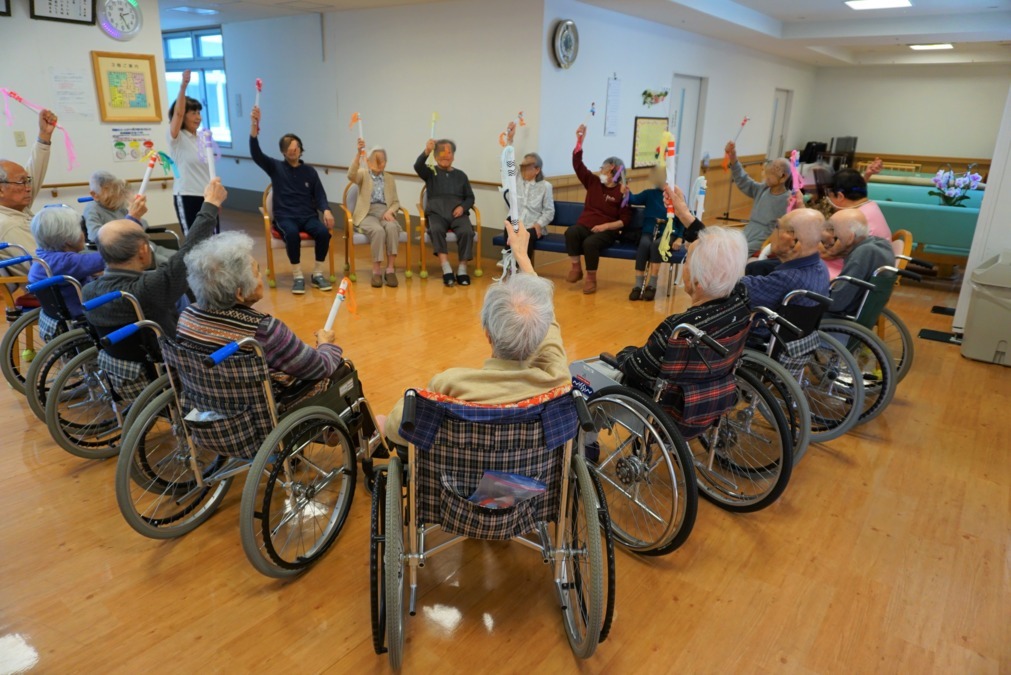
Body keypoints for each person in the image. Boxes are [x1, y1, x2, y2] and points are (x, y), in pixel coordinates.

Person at [382, 223, 567, 446]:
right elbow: (550, 325)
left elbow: (398, 428)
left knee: (383, 421)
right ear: (541, 334)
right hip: (530, 479)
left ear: (488, 333)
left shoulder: (452, 384)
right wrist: (523, 259)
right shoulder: (556, 379)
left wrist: (386, 423)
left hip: (455, 479)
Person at [614, 227, 751, 437]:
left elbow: (635, 368)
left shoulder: (681, 328)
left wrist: (624, 353)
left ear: (698, 280)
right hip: (713, 402)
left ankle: (588, 446)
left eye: (686, 261)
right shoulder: (741, 304)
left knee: (589, 377)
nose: (683, 266)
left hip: (671, 415)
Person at [176, 231, 343, 401]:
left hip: (207, 401)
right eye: (256, 273)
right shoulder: (263, 329)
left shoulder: (187, 315)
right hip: (260, 412)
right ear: (240, 294)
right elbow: (319, 367)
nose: (261, 277)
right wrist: (325, 344)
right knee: (343, 370)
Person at [83, 179, 226, 335]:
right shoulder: (149, 288)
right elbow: (189, 251)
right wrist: (211, 204)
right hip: (165, 351)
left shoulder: (88, 291)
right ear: (144, 251)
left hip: (116, 355)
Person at [250, 105, 335, 295]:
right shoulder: (275, 167)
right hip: (285, 216)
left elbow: (320, 195)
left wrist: (327, 210)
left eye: (295, 147)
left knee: (323, 232)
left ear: (300, 149)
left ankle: (317, 274)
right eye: (288, 148)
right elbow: (256, 154)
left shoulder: (309, 171)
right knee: (291, 233)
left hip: (307, 215)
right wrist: (254, 129)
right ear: (283, 151)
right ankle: (297, 276)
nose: (292, 150)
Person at [566, 124, 633, 295]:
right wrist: (579, 141)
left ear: (612, 170)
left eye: (603, 168)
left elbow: (625, 220)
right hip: (586, 225)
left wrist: (605, 227)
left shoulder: (622, 191)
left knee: (590, 243)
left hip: (607, 231)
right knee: (571, 232)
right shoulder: (593, 182)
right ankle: (576, 268)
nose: (600, 171)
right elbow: (577, 164)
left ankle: (591, 278)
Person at [27, 206, 105, 336]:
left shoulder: (43, 257)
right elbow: (112, 255)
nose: (83, 234)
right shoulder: (67, 262)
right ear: (69, 238)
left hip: (57, 317)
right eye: (81, 229)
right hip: (84, 317)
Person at [0, 109, 58, 276]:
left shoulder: (15, 207)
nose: (28, 187)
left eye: (28, 181)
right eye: (21, 182)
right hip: (50, 288)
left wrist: (44, 136)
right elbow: (46, 267)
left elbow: (34, 170)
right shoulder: (8, 224)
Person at [414, 138, 476, 286]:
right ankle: (446, 268)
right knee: (435, 229)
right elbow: (417, 166)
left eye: (449, 152)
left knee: (467, 231)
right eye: (441, 153)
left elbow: (470, 197)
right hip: (437, 214)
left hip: (457, 214)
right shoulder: (430, 172)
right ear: (435, 157)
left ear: (453, 156)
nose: (445, 156)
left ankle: (462, 269)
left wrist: (462, 208)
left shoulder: (461, 175)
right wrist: (426, 151)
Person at [740, 208, 830, 311]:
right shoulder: (821, 265)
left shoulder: (786, 278)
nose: (772, 232)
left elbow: (737, 289)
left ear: (793, 242)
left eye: (777, 227)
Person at [83, 171, 173, 266]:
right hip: (128, 252)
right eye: (108, 191)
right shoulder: (92, 209)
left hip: (147, 246)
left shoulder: (119, 206)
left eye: (114, 189)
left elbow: (144, 226)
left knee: (178, 257)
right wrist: (126, 225)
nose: (114, 194)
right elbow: (94, 235)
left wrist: (135, 215)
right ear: (94, 195)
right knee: (169, 264)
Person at [167, 69, 217, 235]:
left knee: (214, 240)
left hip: (208, 198)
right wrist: (183, 87)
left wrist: (216, 198)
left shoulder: (203, 138)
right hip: (187, 195)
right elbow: (178, 113)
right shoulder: (177, 137)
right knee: (194, 243)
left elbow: (210, 172)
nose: (198, 117)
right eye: (193, 113)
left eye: (199, 112)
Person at [348, 138, 402, 288]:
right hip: (367, 213)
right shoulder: (363, 174)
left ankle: (390, 269)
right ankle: (376, 271)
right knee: (378, 231)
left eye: (382, 160)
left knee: (391, 228)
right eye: (376, 160)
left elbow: (396, 201)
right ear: (369, 161)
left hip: (385, 212)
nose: (379, 163)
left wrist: (390, 211)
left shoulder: (390, 178)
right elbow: (351, 175)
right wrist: (359, 154)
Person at [820, 168, 892, 279]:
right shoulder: (870, 206)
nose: (829, 200)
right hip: (866, 270)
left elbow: (828, 253)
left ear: (840, 196)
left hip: (846, 274)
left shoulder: (855, 218)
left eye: (830, 196)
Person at [501, 121, 555, 263]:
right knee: (509, 223)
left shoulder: (545, 186)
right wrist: (510, 140)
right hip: (516, 222)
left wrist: (539, 224)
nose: (523, 170)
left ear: (537, 170)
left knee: (527, 234)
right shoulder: (517, 178)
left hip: (533, 226)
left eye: (527, 167)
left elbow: (549, 211)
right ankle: (508, 262)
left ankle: (525, 270)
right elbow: (508, 162)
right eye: (522, 167)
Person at [724, 141, 791, 255]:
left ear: (783, 177)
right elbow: (743, 180)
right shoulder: (763, 189)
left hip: (764, 238)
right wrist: (733, 158)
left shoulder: (789, 199)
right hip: (749, 231)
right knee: (727, 246)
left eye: (769, 176)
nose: (766, 178)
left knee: (738, 253)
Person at [625, 166, 682, 301]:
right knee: (644, 244)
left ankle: (652, 285)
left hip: (668, 232)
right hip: (649, 230)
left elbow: (682, 220)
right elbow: (633, 199)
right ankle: (638, 285)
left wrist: (679, 238)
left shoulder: (676, 196)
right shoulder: (649, 194)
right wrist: (626, 191)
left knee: (657, 245)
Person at [825, 208, 895, 317]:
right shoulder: (879, 244)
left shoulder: (861, 255)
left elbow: (836, 303)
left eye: (833, 231)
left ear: (850, 237)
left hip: (837, 318)